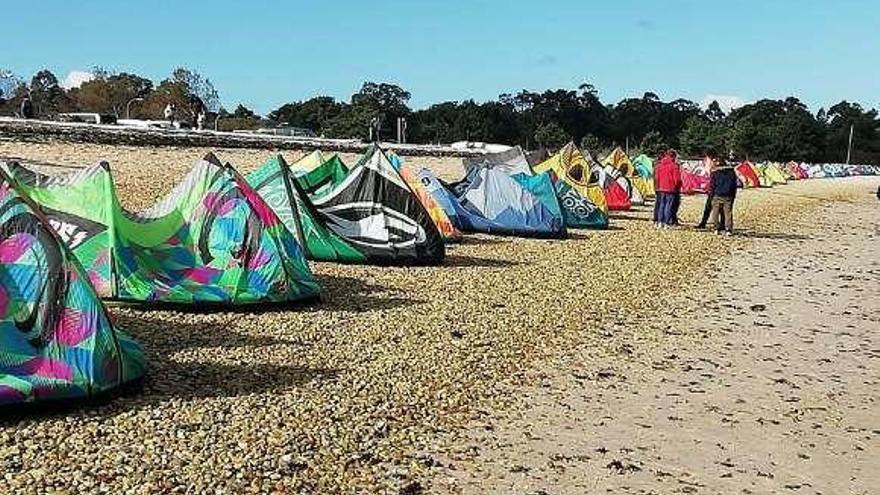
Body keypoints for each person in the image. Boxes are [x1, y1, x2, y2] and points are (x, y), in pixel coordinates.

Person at [709, 159, 738, 235]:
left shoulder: (715, 173)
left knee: (715, 213)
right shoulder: (732, 173)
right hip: (728, 196)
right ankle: (728, 229)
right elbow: (734, 185)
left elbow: (712, 185)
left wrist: (711, 195)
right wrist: (733, 195)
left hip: (717, 195)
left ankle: (716, 228)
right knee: (728, 213)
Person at [654, 150, 681, 228]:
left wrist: (657, 186)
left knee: (661, 205)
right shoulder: (674, 166)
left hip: (661, 188)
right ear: (673, 157)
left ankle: (659, 222)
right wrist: (677, 187)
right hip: (671, 188)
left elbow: (656, 177)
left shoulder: (660, 165)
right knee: (668, 206)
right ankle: (666, 222)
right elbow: (677, 179)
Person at [696, 151, 722, 228]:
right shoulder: (714, 162)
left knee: (711, 207)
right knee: (716, 207)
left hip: (714, 188)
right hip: (715, 188)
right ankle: (721, 224)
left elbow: (710, 173)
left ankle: (704, 223)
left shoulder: (714, 163)